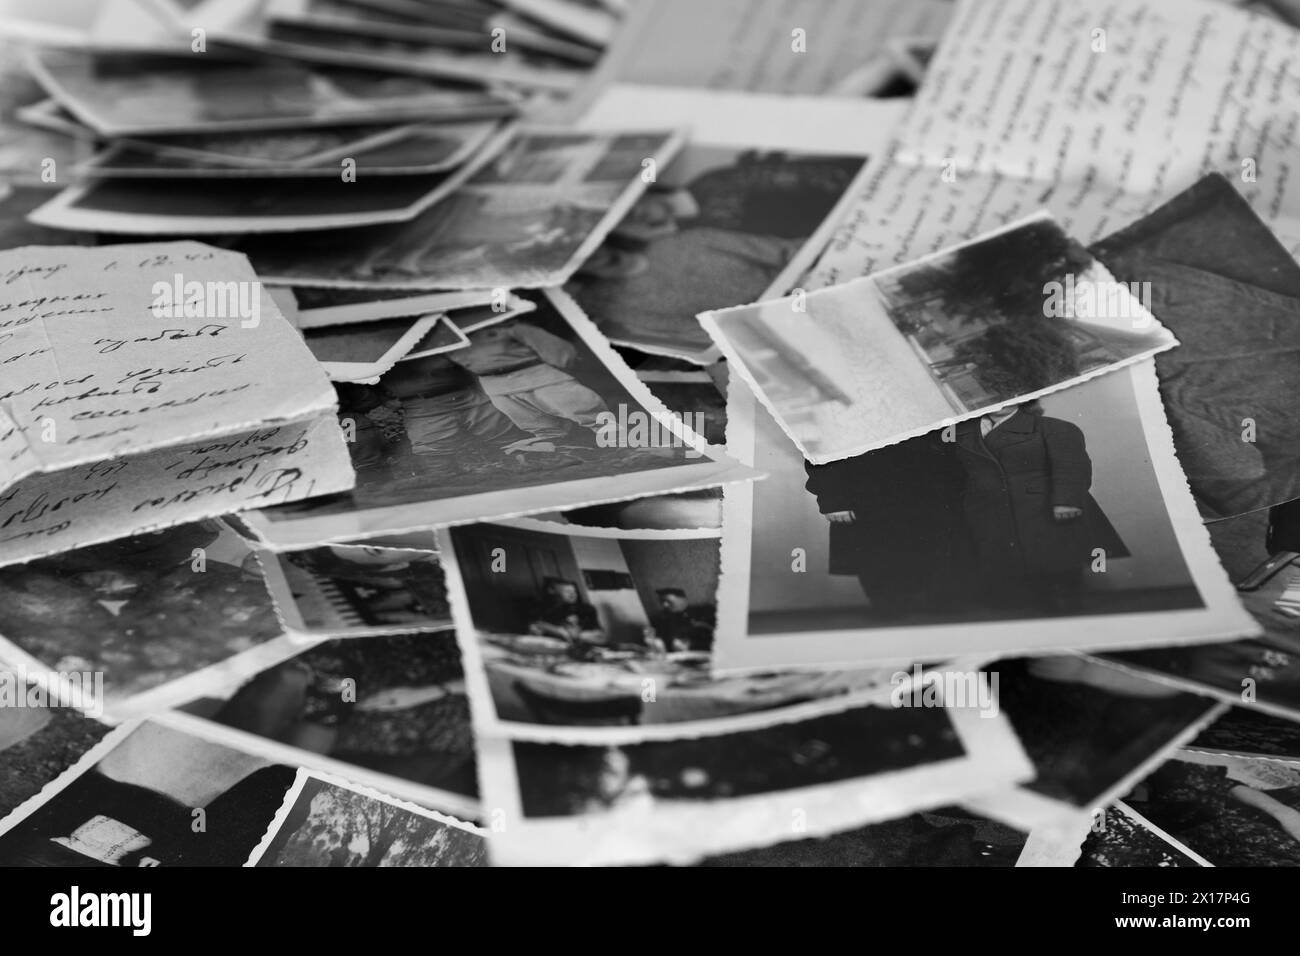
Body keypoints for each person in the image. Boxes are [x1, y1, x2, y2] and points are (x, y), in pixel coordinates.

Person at [952, 401, 1128, 614]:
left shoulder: (1052, 427)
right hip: (991, 511)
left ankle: (1068, 612)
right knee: (1012, 572)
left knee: (1059, 564)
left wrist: (1066, 500)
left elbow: (1072, 466)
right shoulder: (964, 432)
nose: (999, 403)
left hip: (1042, 508)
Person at [804, 434, 970, 619]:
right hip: (867, 496)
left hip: (924, 493)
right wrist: (833, 499)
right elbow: (820, 450)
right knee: (887, 593)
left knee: (936, 597)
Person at [446, 321, 612, 453]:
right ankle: (562, 452)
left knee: (584, 408)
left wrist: (564, 361)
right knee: (537, 425)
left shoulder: (506, 327)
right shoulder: (445, 342)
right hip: (496, 387)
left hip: (537, 376)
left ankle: (617, 442)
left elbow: (559, 351)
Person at [527, 577, 605, 643]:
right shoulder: (539, 609)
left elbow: (601, 636)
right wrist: (558, 631)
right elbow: (535, 628)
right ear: (551, 591)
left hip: (585, 648)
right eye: (567, 591)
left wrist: (580, 636)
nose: (573, 594)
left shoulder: (586, 609)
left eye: (574, 591)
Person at [644, 587, 715, 652]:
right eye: (662, 602)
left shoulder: (706, 611)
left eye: (668, 601)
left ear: (682, 599)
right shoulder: (660, 618)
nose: (665, 605)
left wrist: (692, 645)